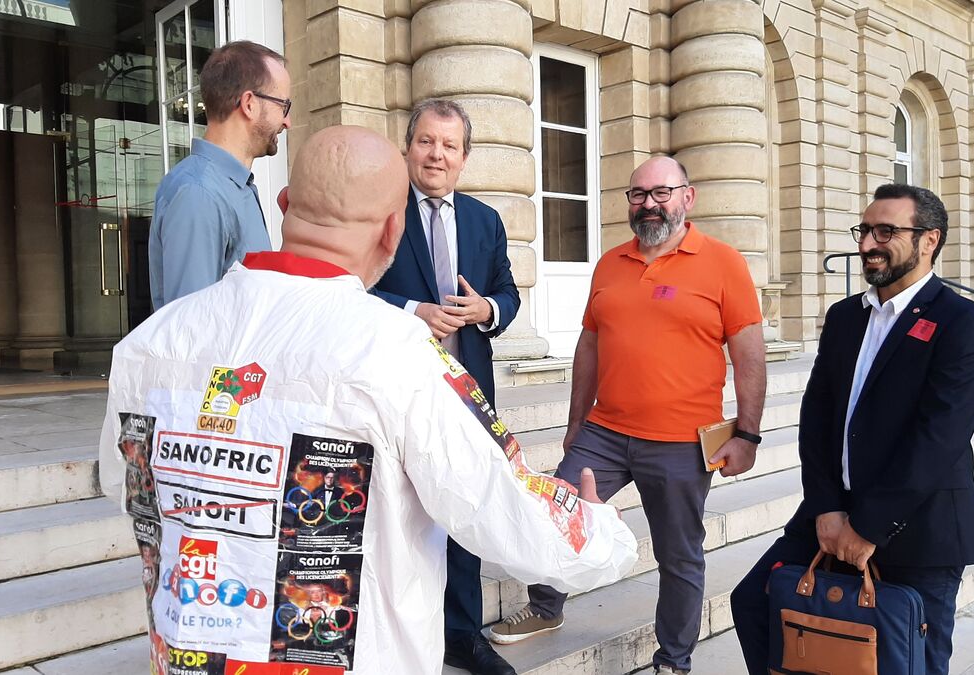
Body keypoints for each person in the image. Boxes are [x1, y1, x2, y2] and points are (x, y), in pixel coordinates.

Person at [99, 125, 638, 675]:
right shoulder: (402, 353)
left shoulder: (148, 343)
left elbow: (124, 489)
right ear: (393, 230)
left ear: (284, 205)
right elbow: (503, 513)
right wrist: (596, 531)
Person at [490, 157, 766, 675]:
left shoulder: (723, 262)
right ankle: (545, 609)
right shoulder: (610, 263)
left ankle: (674, 660)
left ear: (688, 196)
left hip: (683, 442)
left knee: (679, 556)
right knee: (553, 517)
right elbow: (589, 344)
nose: (649, 204)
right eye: (638, 194)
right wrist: (576, 423)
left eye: (661, 193)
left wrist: (747, 433)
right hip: (606, 432)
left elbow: (750, 355)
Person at [729, 183, 974, 675]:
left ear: (929, 240)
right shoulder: (845, 316)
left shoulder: (965, 322)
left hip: (920, 526)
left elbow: (938, 437)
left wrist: (869, 527)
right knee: (754, 603)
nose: (869, 243)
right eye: (865, 230)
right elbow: (818, 416)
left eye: (886, 231)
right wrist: (827, 509)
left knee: (911, 661)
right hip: (830, 515)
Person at [371, 98, 521, 674]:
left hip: (466, 397)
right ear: (408, 147)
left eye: (449, 145)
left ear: (464, 157)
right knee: (398, 514)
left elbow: (508, 292)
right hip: (397, 393)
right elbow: (349, 287)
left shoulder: (485, 220)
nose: (437, 154)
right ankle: (399, 631)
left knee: (464, 510)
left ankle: (462, 633)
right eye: (426, 142)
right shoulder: (381, 211)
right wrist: (411, 309)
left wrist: (487, 309)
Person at [148, 40, 292, 309]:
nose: (287, 121)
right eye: (283, 106)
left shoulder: (234, 186)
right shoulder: (198, 193)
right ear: (249, 104)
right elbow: (191, 331)